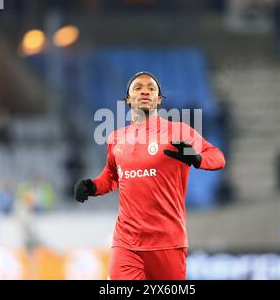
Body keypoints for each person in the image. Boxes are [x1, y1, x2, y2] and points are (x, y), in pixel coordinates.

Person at [74, 71, 226, 280]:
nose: (145, 91)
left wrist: (197, 159)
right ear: (128, 99)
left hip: (167, 242)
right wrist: (92, 186)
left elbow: (217, 157)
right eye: (138, 88)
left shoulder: (178, 131)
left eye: (151, 88)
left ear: (159, 99)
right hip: (126, 243)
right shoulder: (116, 138)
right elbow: (111, 177)